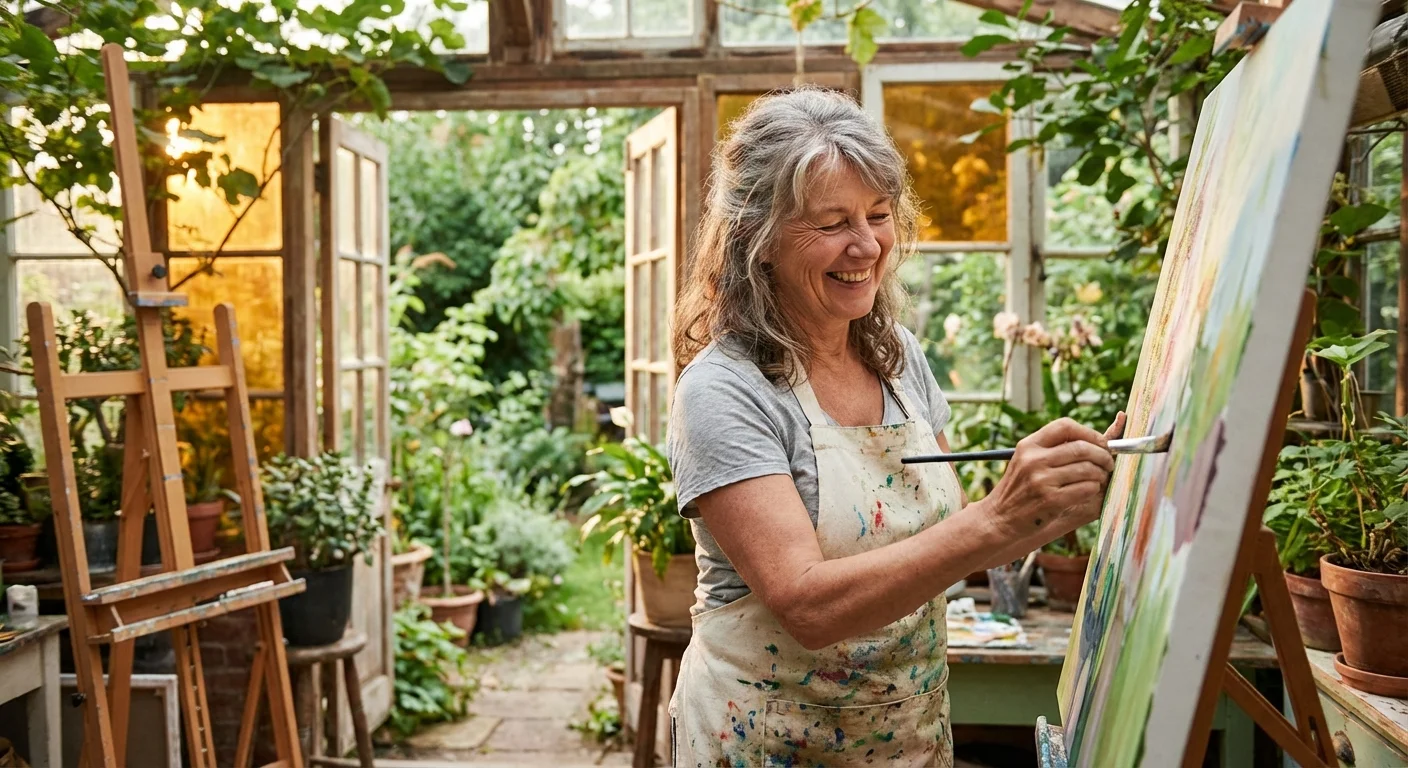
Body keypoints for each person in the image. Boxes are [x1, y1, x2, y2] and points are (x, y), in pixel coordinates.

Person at [665, 87, 1125, 767]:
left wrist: (1052, 499)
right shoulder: (723, 390)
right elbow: (806, 606)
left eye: (879, 215)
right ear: (756, 241)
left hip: (906, 738)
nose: (866, 245)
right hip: (768, 743)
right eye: (832, 222)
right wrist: (999, 520)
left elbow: (947, 537)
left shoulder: (899, 357)